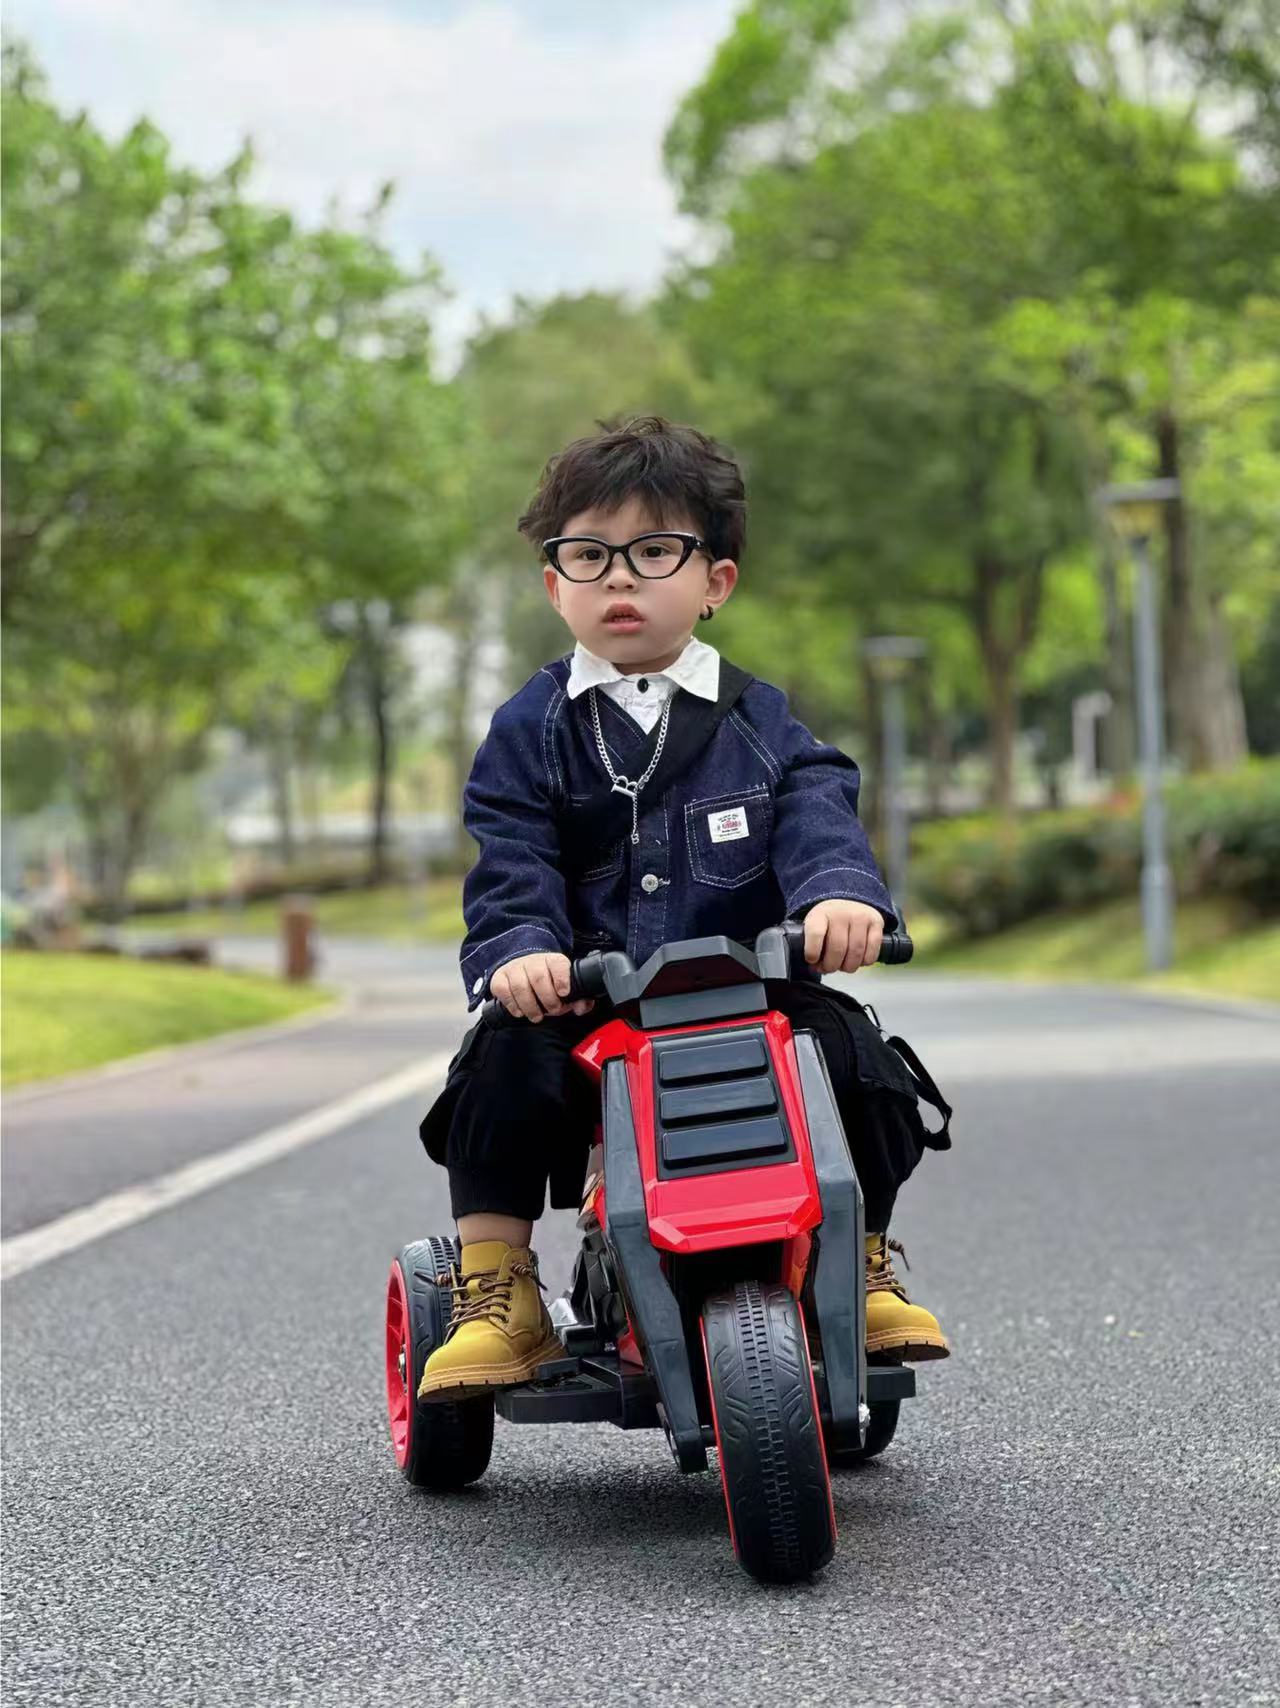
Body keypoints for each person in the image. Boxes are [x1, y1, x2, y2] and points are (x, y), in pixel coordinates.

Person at [417, 416, 951, 1402]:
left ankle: (859, 1253)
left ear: (714, 580)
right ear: (553, 583)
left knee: (855, 1059)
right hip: (585, 1014)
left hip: (748, 1001)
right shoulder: (529, 732)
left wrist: (839, 895)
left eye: (654, 551)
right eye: (588, 555)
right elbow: (512, 857)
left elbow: (813, 805)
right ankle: (497, 1286)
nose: (619, 578)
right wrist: (522, 948)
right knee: (497, 1063)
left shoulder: (759, 721)